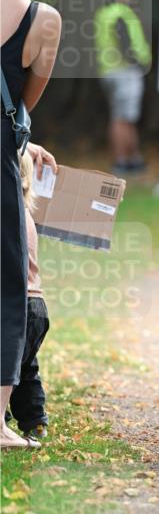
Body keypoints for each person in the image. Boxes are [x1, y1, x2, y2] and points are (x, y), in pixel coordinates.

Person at [1, 0, 60, 449]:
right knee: (15, 283)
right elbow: (21, 103)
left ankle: (27, 409)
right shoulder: (43, 20)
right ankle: (5, 418)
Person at [5, 151, 50, 440]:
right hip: (38, 307)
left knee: (5, 363)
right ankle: (35, 421)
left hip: (16, 306)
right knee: (26, 367)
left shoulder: (7, 217)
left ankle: (2, 419)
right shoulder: (26, 215)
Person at [95, 0, 151, 175]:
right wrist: (139, 61)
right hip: (124, 71)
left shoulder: (103, 13)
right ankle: (122, 160)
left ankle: (133, 158)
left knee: (125, 116)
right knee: (121, 118)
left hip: (108, 71)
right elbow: (125, 40)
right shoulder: (122, 13)